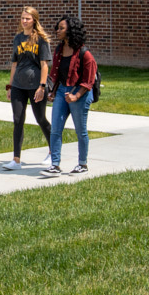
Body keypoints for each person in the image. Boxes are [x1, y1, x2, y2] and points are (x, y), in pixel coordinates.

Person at [40, 14, 97, 177]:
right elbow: (56, 73)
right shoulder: (59, 49)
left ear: (71, 30)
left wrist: (76, 96)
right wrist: (52, 91)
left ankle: (82, 164)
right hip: (61, 92)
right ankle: (55, 165)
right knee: (56, 129)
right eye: (57, 28)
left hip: (79, 94)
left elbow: (88, 81)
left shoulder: (84, 53)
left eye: (61, 28)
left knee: (81, 131)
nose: (57, 31)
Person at [1, 5, 52, 170]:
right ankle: (16, 160)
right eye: (22, 18)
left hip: (35, 86)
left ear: (34, 20)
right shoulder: (18, 39)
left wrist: (42, 87)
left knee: (41, 119)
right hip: (18, 86)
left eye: (27, 18)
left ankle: (54, 152)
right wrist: (9, 85)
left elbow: (45, 65)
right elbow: (14, 64)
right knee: (17, 120)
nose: (24, 21)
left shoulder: (41, 40)